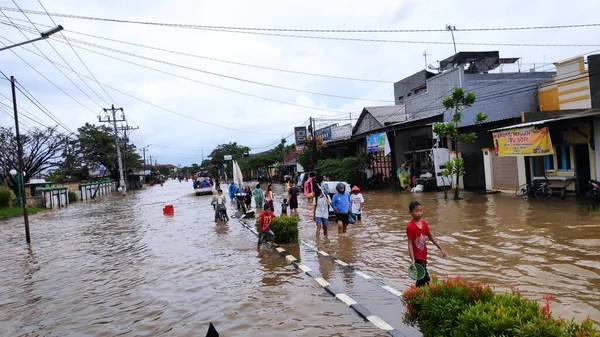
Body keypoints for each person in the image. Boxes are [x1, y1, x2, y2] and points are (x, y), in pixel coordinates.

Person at [406, 201, 447, 287]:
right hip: (417, 257)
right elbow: (410, 244)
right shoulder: (410, 226)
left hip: (424, 254)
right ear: (411, 212)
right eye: (416, 211)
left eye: (420, 210)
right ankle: (424, 293)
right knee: (426, 277)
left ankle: (416, 293)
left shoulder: (424, 223)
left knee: (421, 279)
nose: (419, 213)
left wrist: (441, 248)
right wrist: (412, 259)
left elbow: (431, 236)